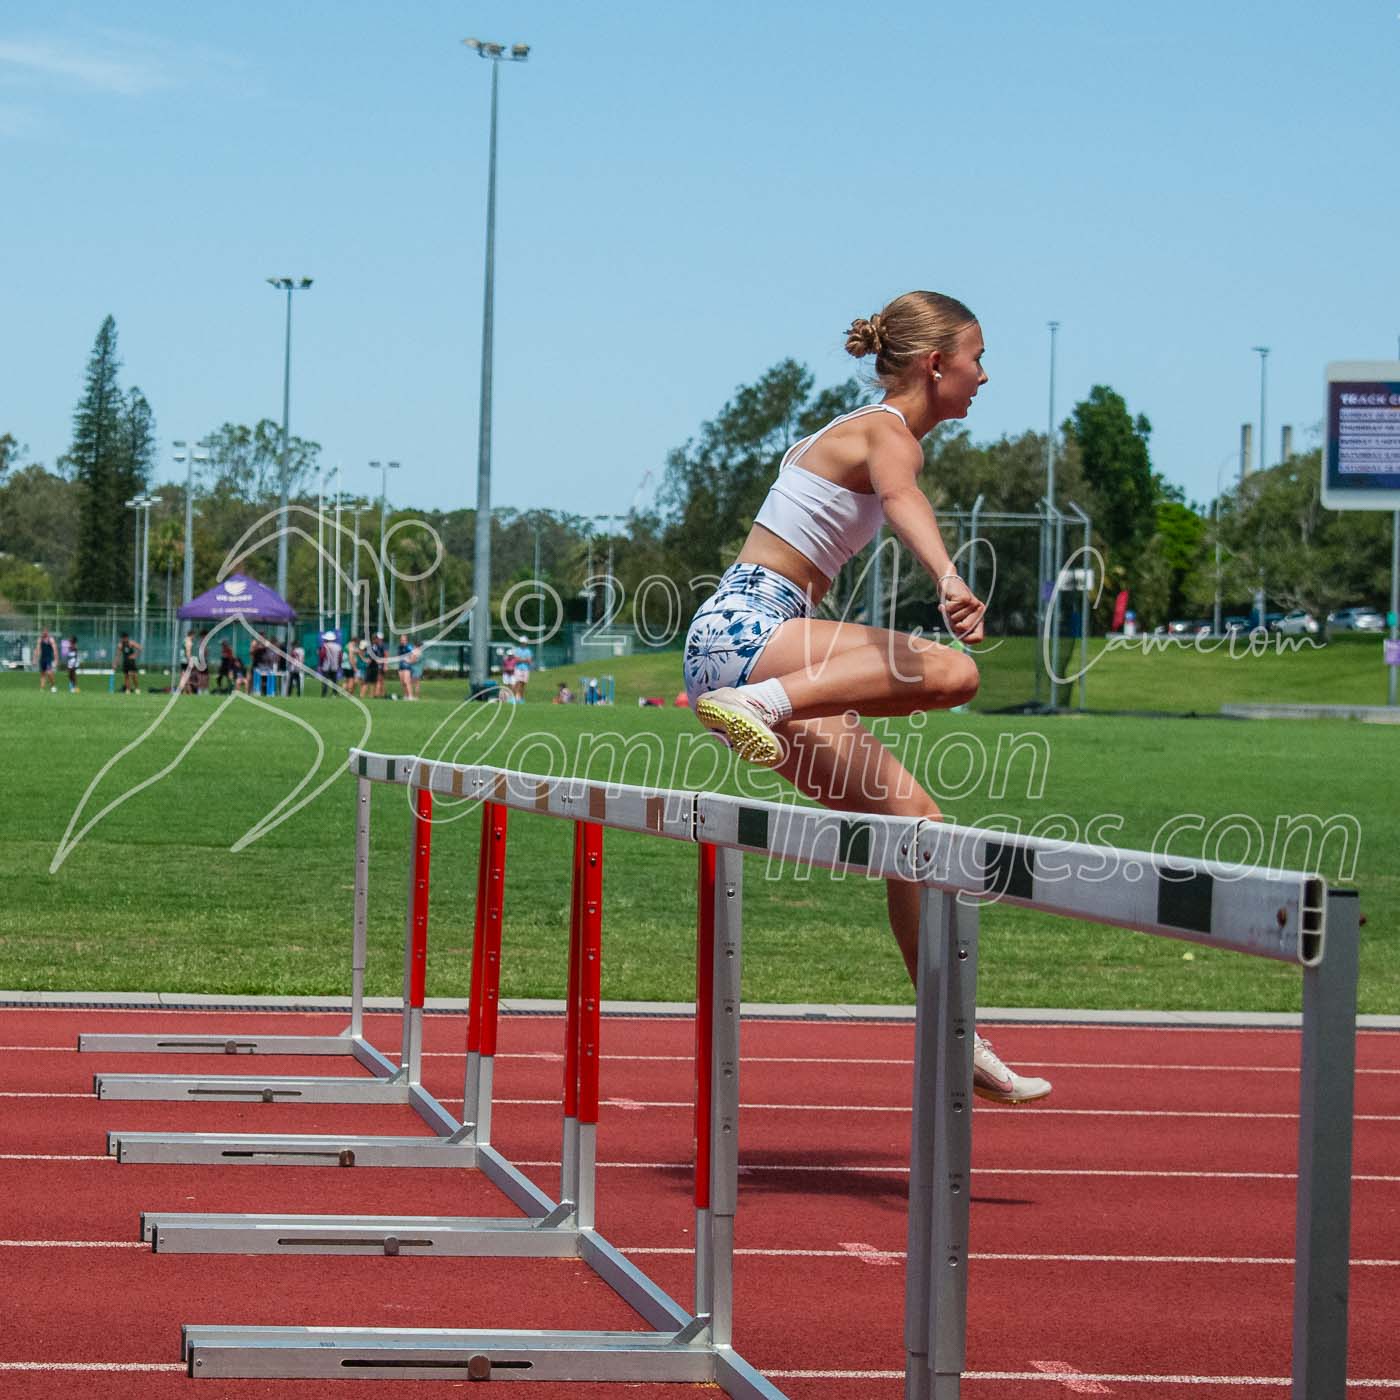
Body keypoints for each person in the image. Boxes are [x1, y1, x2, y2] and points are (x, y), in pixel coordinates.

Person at [684, 290, 1049, 1105]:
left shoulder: (857, 432)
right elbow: (902, 498)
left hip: (743, 649)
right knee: (955, 673)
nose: (986, 376)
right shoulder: (886, 432)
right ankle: (764, 704)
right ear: (937, 364)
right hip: (747, 630)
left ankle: (954, 1029)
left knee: (917, 830)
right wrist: (948, 577)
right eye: (979, 359)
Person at [320, 632, 343, 698]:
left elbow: (322, 656)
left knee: (325, 682)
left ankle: (324, 695)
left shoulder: (324, 646)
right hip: (335, 666)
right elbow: (340, 657)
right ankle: (334, 694)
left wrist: (321, 664)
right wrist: (339, 664)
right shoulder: (338, 646)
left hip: (326, 666)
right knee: (334, 681)